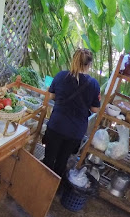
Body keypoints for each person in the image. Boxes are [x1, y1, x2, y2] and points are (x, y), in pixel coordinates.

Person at [43, 48, 101, 179]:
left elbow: (50, 96)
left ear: (73, 60)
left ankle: (42, 188)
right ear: (89, 65)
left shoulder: (60, 76)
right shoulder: (94, 84)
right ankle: (53, 191)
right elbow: (95, 109)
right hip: (75, 131)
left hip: (56, 125)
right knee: (61, 162)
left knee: (48, 159)